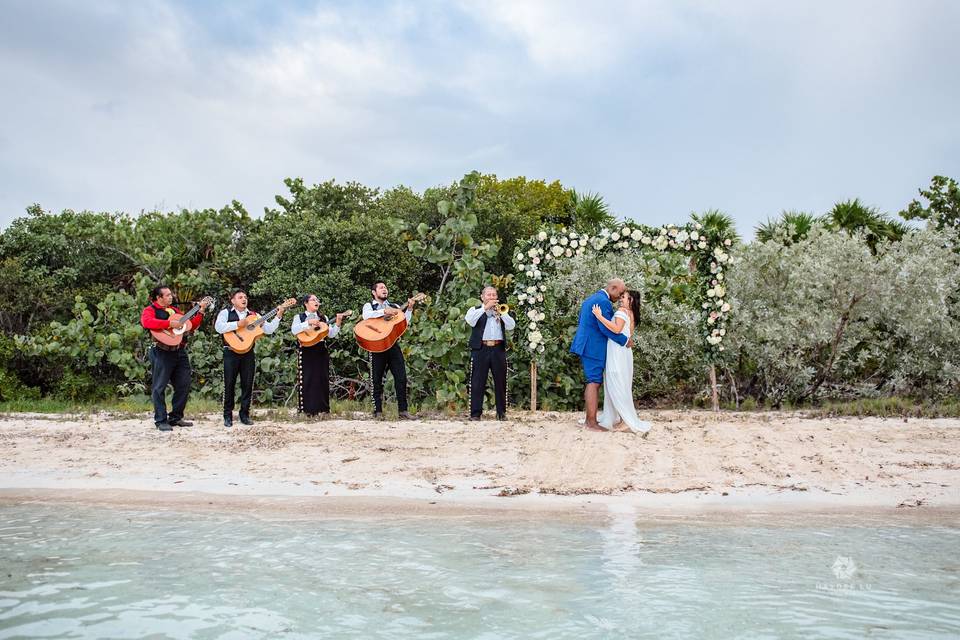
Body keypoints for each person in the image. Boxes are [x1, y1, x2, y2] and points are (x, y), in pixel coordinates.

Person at [140, 285, 210, 431]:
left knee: (184, 384)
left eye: (171, 295)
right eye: (167, 295)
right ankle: (160, 420)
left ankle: (176, 417)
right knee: (159, 387)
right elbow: (147, 323)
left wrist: (201, 311)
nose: (171, 297)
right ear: (159, 298)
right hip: (161, 351)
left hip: (179, 351)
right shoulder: (150, 310)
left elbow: (191, 325)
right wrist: (169, 323)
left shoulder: (176, 311)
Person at [215, 290, 285, 427]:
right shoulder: (225, 313)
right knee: (229, 384)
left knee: (247, 384)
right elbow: (218, 327)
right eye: (240, 297)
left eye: (245, 297)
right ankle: (227, 416)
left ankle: (244, 415)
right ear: (233, 300)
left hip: (248, 352)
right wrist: (237, 324)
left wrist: (279, 315)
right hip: (230, 352)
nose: (244, 299)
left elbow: (269, 329)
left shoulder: (255, 316)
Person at [569, 278, 631, 431]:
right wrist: (625, 340)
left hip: (588, 345)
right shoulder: (603, 302)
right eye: (620, 293)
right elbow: (605, 328)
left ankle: (591, 420)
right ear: (613, 288)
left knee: (594, 381)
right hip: (592, 347)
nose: (620, 297)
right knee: (594, 382)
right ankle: (591, 423)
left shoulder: (594, 298)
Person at [592, 290, 652, 435]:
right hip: (625, 353)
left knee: (616, 383)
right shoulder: (632, 314)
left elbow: (617, 330)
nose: (620, 299)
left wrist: (599, 317)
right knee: (622, 384)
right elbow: (627, 334)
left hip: (617, 352)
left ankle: (625, 421)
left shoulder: (621, 312)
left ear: (631, 300)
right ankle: (622, 418)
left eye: (624, 297)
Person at [362, 281, 417, 419]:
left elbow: (404, 323)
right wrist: (383, 312)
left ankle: (403, 411)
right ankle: (378, 412)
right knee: (376, 379)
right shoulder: (369, 306)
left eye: (385, 287)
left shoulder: (395, 307)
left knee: (401, 377)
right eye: (381, 287)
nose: (384, 289)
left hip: (393, 345)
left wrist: (409, 310)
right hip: (377, 345)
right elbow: (366, 316)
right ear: (374, 292)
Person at [465, 285, 516, 421]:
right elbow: (470, 321)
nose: (492, 297)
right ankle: (475, 414)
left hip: (498, 348)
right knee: (477, 381)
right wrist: (485, 308)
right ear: (482, 297)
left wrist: (502, 314)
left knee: (500, 381)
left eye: (494, 295)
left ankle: (501, 413)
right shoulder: (474, 310)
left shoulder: (502, 310)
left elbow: (511, 326)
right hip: (481, 349)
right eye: (489, 295)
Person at [291, 294, 346, 417]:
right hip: (306, 349)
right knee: (307, 378)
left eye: (317, 300)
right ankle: (307, 410)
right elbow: (294, 330)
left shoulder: (323, 317)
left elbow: (330, 334)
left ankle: (323, 409)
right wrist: (308, 323)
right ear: (306, 303)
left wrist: (337, 323)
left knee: (322, 378)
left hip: (321, 349)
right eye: (313, 300)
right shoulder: (299, 317)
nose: (316, 302)